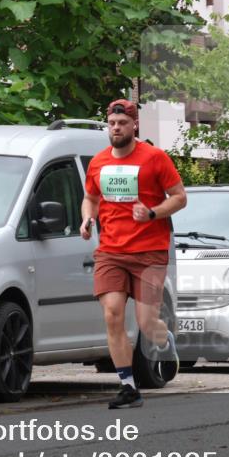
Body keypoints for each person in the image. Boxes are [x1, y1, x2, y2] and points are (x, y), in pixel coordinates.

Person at [81, 99, 187, 409]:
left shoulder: (154, 158)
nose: (116, 128)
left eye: (122, 124)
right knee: (112, 315)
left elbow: (180, 198)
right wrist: (87, 218)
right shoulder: (98, 162)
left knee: (146, 323)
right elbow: (90, 198)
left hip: (149, 251)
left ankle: (165, 343)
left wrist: (153, 213)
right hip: (111, 251)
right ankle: (128, 386)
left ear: (134, 125)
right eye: (112, 124)